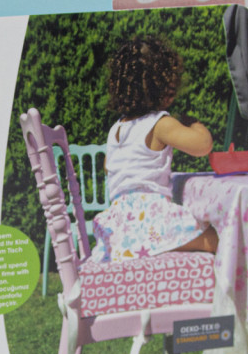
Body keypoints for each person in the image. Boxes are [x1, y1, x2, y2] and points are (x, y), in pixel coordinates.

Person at [91, 36, 218, 263]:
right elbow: (203, 146)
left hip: (119, 229)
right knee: (218, 238)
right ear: (162, 87)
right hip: (151, 221)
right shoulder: (160, 124)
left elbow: (109, 166)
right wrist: (194, 124)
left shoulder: (116, 129)